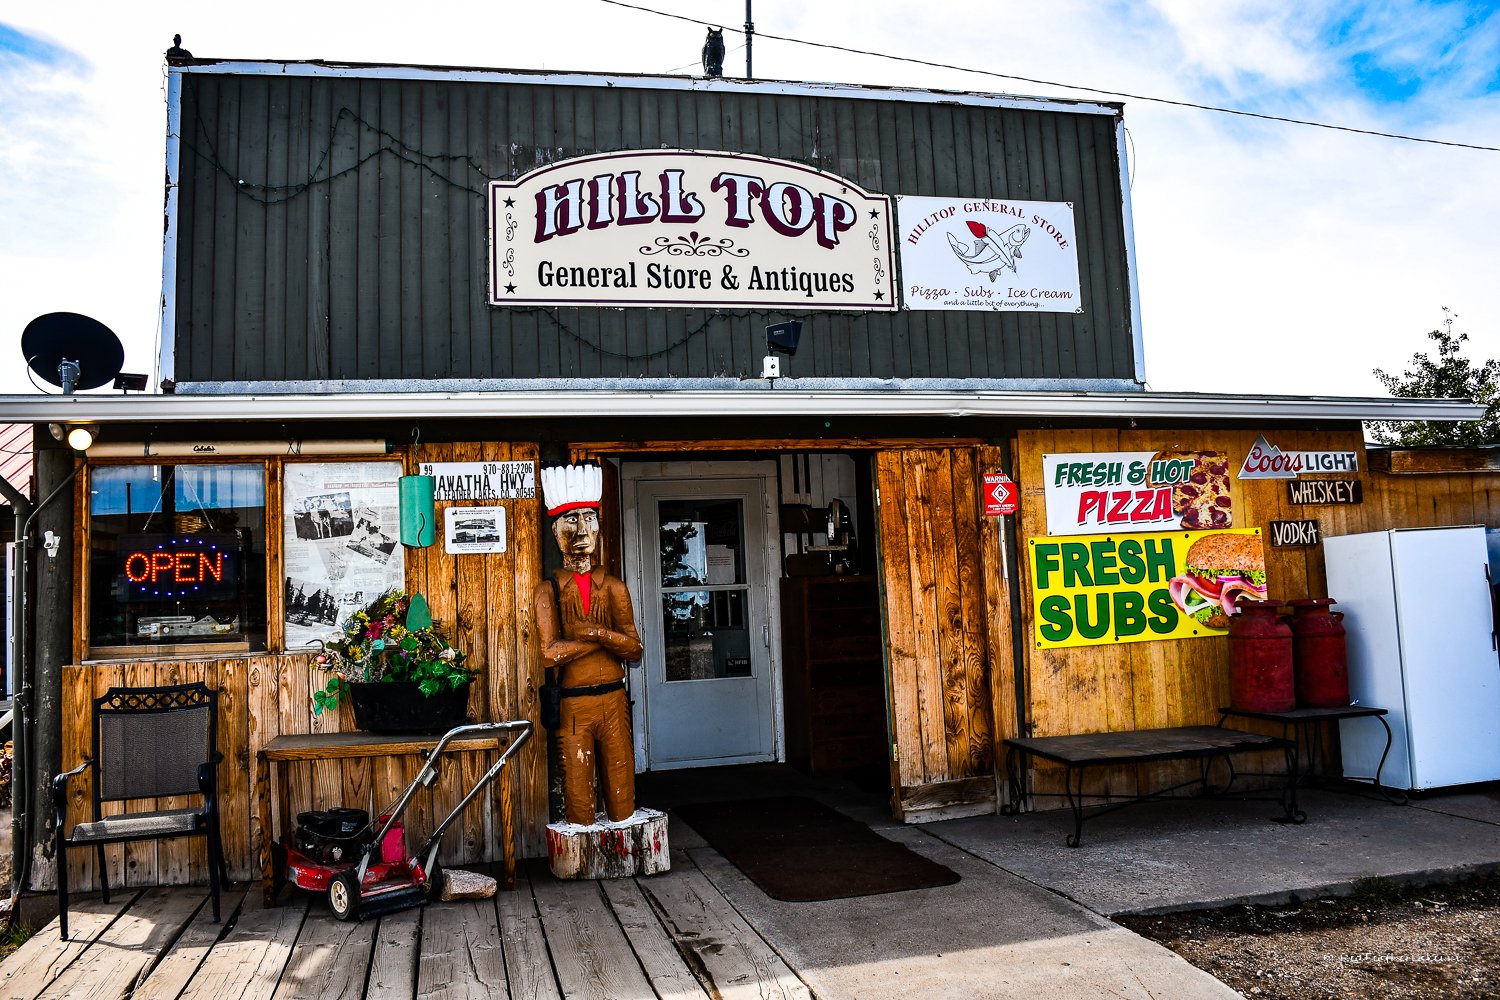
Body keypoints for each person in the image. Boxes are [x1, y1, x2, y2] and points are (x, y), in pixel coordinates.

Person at [533, 464, 643, 825]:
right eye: (570, 520)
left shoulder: (613, 586)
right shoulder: (547, 590)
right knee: (578, 796)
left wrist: (597, 635)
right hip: (573, 706)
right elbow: (550, 653)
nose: (582, 530)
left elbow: (634, 650)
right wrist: (600, 642)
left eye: (588, 518)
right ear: (555, 529)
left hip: (613, 700)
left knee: (621, 792)